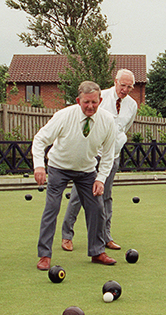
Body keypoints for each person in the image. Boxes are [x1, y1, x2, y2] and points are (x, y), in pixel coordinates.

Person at [33, 81, 116, 270]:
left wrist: (100, 179)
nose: (90, 106)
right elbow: (40, 139)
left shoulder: (107, 120)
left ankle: (97, 252)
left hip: (87, 170)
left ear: (100, 100)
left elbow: (109, 153)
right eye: (86, 102)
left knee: (97, 208)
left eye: (94, 102)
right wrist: (39, 166)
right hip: (58, 167)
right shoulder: (63, 116)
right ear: (79, 100)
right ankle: (44, 255)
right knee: (52, 207)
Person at [61, 69, 138, 252]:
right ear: (116, 82)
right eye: (123, 85)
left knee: (106, 196)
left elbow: (124, 128)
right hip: (91, 155)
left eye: (129, 87)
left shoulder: (132, 105)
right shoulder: (99, 97)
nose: (125, 89)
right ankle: (67, 236)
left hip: (112, 156)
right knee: (78, 196)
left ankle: (105, 236)